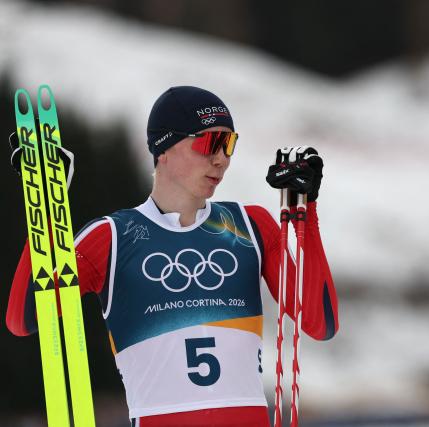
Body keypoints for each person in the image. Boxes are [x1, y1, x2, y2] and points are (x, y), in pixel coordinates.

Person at [7, 86, 339, 426]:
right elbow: (24, 318)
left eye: (229, 144)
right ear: (164, 148)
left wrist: (304, 208)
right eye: (209, 143)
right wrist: (46, 207)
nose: (221, 159)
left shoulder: (250, 226)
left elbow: (320, 323)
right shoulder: (113, 237)